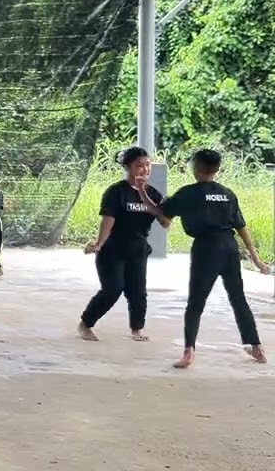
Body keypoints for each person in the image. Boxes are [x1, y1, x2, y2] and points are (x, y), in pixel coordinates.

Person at [138, 150, 269, 368]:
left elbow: (163, 220)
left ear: (196, 168)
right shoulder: (228, 193)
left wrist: (143, 194)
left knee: (196, 302)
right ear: (217, 170)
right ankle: (256, 346)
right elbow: (241, 227)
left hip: (206, 247)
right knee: (238, 298)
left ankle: (189, 352)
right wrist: (255, 259)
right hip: (229, 246)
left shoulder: (188, 193)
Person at [77, 146, 169, 342]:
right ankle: (85, 324)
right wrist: (99, 244)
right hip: (112, 249)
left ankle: (137, 329)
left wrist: (144, 194)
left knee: (138, 292)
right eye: (139, 166)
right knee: (112, 289)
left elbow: (165, 221)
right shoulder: (116, 192)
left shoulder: (154, 194)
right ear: (128, 167)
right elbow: (108, 219)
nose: (144, 170)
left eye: (147, 165)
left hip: (138, 250)